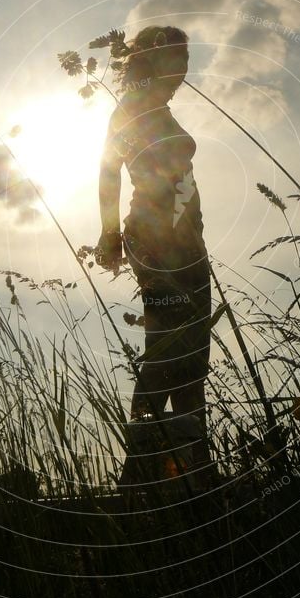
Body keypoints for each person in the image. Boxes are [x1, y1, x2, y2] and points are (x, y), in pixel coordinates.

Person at [95, 25, 215, 489]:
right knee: (165, 350)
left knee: (192, 355)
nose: (184, 69)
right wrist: (109, 235)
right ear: (151, 61)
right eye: (176, 58)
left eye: (186, 59)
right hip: (156, 240)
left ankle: (195, 471)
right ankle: (139, 473)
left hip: (187, 244)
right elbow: (108, 171)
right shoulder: (132, 106)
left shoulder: (157, 106)